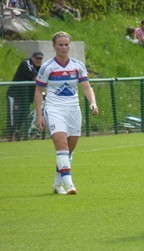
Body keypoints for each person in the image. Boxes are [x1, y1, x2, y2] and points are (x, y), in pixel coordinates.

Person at [34, 31, 98, 195]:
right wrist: (40, 115)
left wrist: (93, 102)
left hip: (73, 110)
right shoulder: (47, 67)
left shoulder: (77, 66)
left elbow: (86, 86)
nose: (64, 47)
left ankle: (57, 185)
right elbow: (38, 90)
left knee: (68, 151)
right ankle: (70, 185)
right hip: (54, 109)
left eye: (66, 44)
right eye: (60, 45)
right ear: (54, 46)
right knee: (61, 145)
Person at [6, 51, 43, 141]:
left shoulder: (40, 68)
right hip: (15, 95)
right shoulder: (26, 63)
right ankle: (9, 137)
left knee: (23, 117)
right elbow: (36, 78)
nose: (38, 60)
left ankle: (19, 136)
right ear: (32, 57)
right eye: (37, 58)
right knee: (14, 117)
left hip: (26, 98)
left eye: (40, 58)